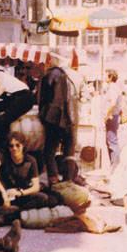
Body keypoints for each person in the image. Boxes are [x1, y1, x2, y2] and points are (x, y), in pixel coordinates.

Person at [0, 132, 58, 228]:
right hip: (4, 195)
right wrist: (3, 192)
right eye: (11, 146)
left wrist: (20, 193)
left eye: (17, 145)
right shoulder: (4, 156)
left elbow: (36, 187)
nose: (14, 149)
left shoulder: (30, 160)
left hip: (21, 194)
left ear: (23, 146)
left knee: (43, 198)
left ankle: (11, 214)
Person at [38, 47, 78, 185]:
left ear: (57, 59)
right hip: (70, 119)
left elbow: (44, 98)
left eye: (51, 58)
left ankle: (53, 181)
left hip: (54, 118)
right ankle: (68, 182)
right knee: (69, 153)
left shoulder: (51, 74)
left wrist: (43, 114)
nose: (49, 61)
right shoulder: (70, 75)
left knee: (49, 151)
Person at [103, 69, 122, 167]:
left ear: (110, 77)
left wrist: (107, 115)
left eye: (106, 75)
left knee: (112, 142)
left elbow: (112, 103)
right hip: (112, 117)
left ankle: (116, 165)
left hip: (112, 117)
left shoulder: (113, 88)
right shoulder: (112, 88)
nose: (104, 77)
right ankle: (114, 164)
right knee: (110, 141)